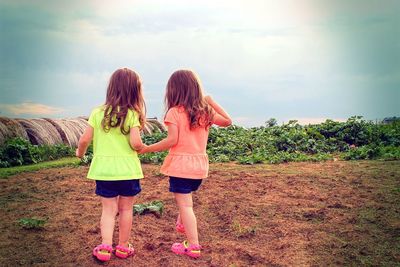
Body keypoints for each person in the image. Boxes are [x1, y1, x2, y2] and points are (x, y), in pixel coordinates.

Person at [139, 69, 232, 258]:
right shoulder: (205, 112)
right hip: (199, 168)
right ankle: (182, 223)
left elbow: (172, 140)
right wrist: (211, 101)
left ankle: (193, 245)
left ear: (173, 90)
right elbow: (228, 121)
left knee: (186, 207)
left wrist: (147, 148)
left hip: (181, 167)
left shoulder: (174, 112)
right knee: (187, 201)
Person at [76, 68, 146, 262]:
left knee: (108, 210)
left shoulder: (97, 113)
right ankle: (123, 247)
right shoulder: (132, 114)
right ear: (134, 91)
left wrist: (79, 154)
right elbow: (136, 144)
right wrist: (141, 148)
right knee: (126, 209)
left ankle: (105, 247)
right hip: (128, 171)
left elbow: (84, 140)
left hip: (104, 171)